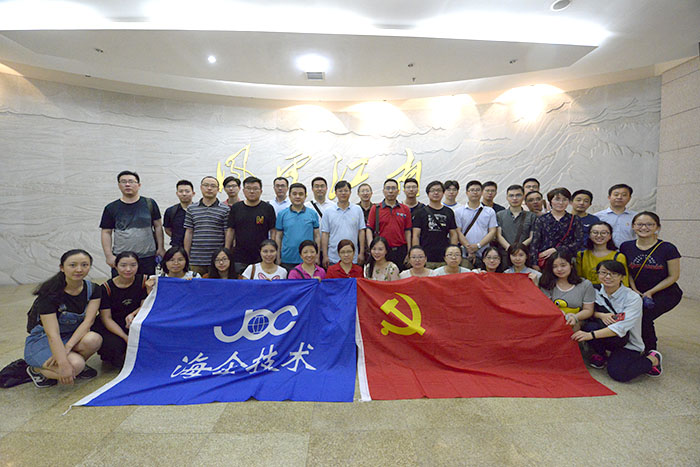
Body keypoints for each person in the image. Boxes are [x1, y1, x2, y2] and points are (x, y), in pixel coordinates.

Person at [572, 260, 663, 381]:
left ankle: (653, 359)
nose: (608, 277)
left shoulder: (633, 298)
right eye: (603, 272)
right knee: (589, 325)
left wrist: (590, 335)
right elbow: (587, 310)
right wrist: (600, 315)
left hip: (628, 342)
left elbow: (620, 328)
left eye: (614, 274)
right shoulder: (594, 291)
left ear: (622, 277)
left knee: (618, 373)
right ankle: (602, 354)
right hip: (607, 336)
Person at [24, 249, 102, 387]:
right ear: (62, 267)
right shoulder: (49, 294)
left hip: (70, 336)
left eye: (84, 265)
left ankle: (71, 364)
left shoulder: (94, 289)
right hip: (43, 339)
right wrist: (63, 363)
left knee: (94, 339)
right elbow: (52, 334)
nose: (79, 269)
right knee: (76, 366)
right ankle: (36, 370)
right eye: (73, 265)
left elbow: (88, 322)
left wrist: (68, 347)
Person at [620, 211, 682, 352]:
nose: (644, 227)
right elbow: (627, 272)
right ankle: (632, 346)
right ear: (633, 226)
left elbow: (673, 276)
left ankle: (651, 351)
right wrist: (634, 289)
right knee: (633, 316)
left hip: (665, 292)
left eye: (649, 224)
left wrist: (651, 292)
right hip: (637, 292)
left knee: (645, 316)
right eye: (640, 224)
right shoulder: (626, 247)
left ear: (657, 227)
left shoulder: (668, 248)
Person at [100, 170, 165, 276]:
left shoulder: (149, 203)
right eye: (123, 182)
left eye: (131, 181)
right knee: (121, 285)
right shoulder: (111, 207)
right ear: (119, 185)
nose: (127, 184)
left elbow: (158, 226)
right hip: (121, 258)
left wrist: (161, 248)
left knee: (147, 284)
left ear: (139, 185)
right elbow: (106, 232)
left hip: (147, 257)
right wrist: (109, 255)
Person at [93, 251, 148, 367]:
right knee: (114, 348)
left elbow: (145, 307)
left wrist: (133, 314)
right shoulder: (105, 288)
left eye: (133, 265)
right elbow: (106, 319)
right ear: (116, 266)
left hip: (134, 322)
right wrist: (126, 338)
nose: (128, 269)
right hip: (113, 325)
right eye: (123, 265)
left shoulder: (144, 281)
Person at [226, 176, 276, 275]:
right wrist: (227, 249)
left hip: (262, 256)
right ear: (243, 191)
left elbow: (273, 231)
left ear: (261, 191)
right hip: (240, 256)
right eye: (248, 188)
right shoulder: (236, 208)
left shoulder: (268, 208)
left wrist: (272, 251)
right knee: (240, 282)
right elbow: (231, 230)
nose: (252, 191)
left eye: (255, 188)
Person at [184, 176, 229, 276]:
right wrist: (186, 254)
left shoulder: (225, 209)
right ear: (201, 188)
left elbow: (227, 233)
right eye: (206, 185)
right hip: (195, 258)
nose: (209, 188)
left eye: (213, 186)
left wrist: (226, 254)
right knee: (195, 284)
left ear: (218, 189)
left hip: (217, 260)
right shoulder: (191, 208)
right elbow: (189, 232)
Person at [539, 250, 594, 331]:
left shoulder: (585, 284)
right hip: (553, 320)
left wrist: (575, 317)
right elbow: (546, 308)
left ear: (571, 265)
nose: (559, 269)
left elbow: (588, 310)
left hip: (577, 320)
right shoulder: (547, 283)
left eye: (563, 265)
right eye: (555, 267)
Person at [529, 187, 584, 270]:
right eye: (557, 199)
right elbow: (535, 243)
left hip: (567, 261)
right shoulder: (542, 219)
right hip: (546, 261)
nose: (561, 203)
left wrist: (555, 249)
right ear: (550, 201)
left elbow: (579, 242)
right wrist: (534, 263)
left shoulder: (575, 219)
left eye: (564, 200)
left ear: (569, 202)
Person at [367, 179, 412, 270]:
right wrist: (372, 248)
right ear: (383, 191)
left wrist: (409, 251)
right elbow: (369, 229)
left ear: (398, 191)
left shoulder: (405, 209)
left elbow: (408, 231)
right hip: (381, 252)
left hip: (400, 251)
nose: (390, 191)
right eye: (388, 188)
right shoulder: (376, 208)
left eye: (393, 188)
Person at [412, 180, 458, 269]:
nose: (436, 193)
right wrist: (416, 254)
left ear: (443, 193)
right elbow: (416, 235)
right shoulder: (420, 212)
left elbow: (453, 234)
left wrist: (453, 252)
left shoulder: (449, 212)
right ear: (428, 193)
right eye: (433, 190)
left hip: (444, 257)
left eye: (439, 190)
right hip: (425, 257)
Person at [275, 182, 320, 271]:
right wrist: (277, 256)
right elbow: (278, 237)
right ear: (289, 196)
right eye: (294, 194)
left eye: (301, 194)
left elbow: (317, 236)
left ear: (305, 196)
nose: (297, 196)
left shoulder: (312, 213)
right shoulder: (282, 214)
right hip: (287, 259)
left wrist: (317, 256)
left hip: (308, 259)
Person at [321, 180, 366, 268]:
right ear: (336, 193)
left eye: (346, 191)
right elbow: (325, 234)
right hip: (333, 257)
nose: (343, 193)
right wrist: (325, 255)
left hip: (353, 257)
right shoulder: (328, 211)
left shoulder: (357, 209)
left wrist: (361, 253)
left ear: (350, 192)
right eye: (340, 191)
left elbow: (361, 231)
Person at [455, 180, 497, 263]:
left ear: (481, 192)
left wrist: (478, 245)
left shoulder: (490, 211)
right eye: (472, 190)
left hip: (485, 253)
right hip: (465, 253)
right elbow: (458, 232)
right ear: (467, 193)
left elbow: (492, 232)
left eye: (478, 190)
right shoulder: (458, 211)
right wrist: (469, 248)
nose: (475, 192)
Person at [576, 221, 629, 286]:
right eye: (595, 232)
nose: (599, 235)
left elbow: (624, 282)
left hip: (611, 290)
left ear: (610, 236)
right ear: (589, 235)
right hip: (587, 290)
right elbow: (579, 279)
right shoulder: (581, 255)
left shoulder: (618, 257)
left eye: (603, 233)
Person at [497, 184, 536, 250]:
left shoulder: (531, 216)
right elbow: (498, 235)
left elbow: (532, 236)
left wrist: (519, 249)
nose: (514, 198)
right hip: (504, 253)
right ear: (507, 198)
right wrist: (510, 249)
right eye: (511, 196)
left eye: (518, 195)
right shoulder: (500, 215)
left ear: (523, 197)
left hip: (524, 253)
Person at [163, 179, 194, 248]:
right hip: (177, 247)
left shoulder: (198, 211)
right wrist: (177, 237)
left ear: (193, 193)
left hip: (196, 247)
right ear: (177, 193)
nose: (184, 194)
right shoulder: (170, 211)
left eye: (187, 191)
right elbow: (167, 229)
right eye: (181, 191)